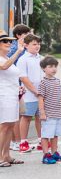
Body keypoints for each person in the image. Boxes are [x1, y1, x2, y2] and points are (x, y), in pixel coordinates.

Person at [0, 32, 26, 166]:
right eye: (5, 41)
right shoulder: (3, 59)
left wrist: (19, 88)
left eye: (10, 41)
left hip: (12, 95)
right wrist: (19, 51)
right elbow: (4, 67)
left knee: (10, 125)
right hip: (3, 95)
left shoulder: (6, 57)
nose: (9, 43)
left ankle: (7, 155)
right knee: (4, 126)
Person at [15, 33, 43, 152]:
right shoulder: (23, 59)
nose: (37, 46)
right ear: (26, 45)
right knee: (26, 117)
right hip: (29, 95)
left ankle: (42, 140)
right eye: (34, 44)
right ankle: (23, 142)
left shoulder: (41, 58)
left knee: (40, 117)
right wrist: (35, 91)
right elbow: (23, 77)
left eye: (38, 44)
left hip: (41, 95)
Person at [37, 56, 61, 164]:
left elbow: (58, 97)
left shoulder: (57, 81)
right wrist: (42, 112)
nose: (53, 69)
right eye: (50, 67)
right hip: (48, 114)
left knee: (55, 134)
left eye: (55, 66)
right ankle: (46, 155)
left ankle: (54, 153)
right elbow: (41, 99)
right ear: (44, 68)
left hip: (57, 112)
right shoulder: (43, 83)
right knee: (46, 135)